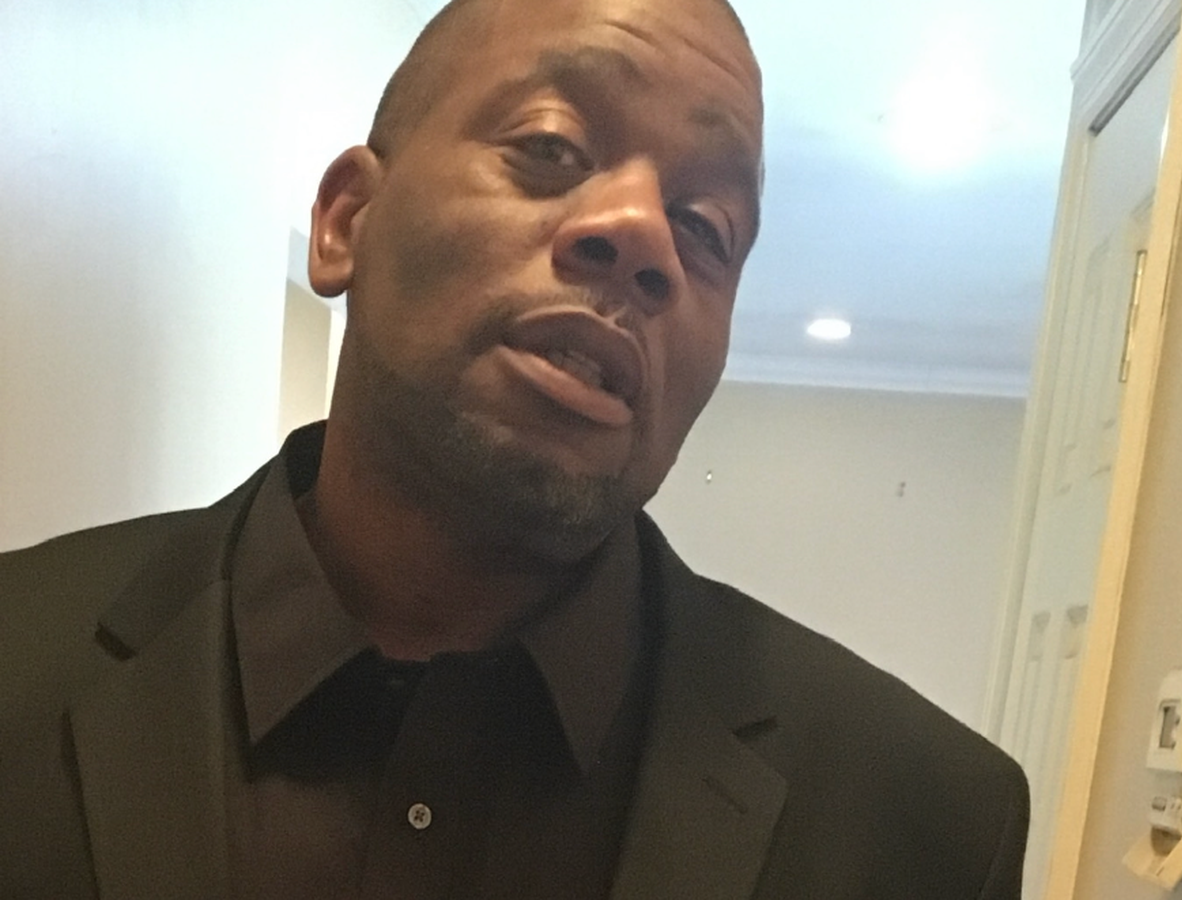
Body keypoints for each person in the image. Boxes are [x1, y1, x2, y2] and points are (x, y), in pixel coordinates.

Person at [0, 0, 1030, 896]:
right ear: (346, 221)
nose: (643, 236)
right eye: (551, 146)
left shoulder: (922, 827)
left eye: (706, 226)